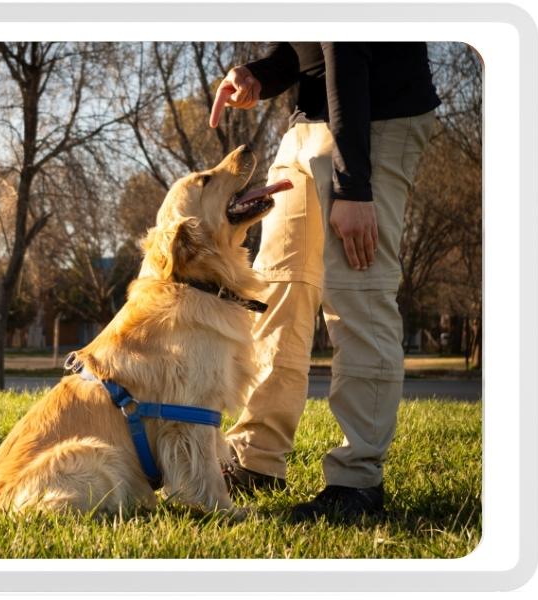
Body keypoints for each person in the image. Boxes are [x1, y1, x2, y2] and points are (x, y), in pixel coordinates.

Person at [209, 42, 440, 521]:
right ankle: (256, 458)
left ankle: (356, 482)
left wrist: (353, 186)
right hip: (306, 124)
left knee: (358, 295)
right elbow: (306, 45)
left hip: (373, 120)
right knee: (277, 289)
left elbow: (347, 41)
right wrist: (260, 74)